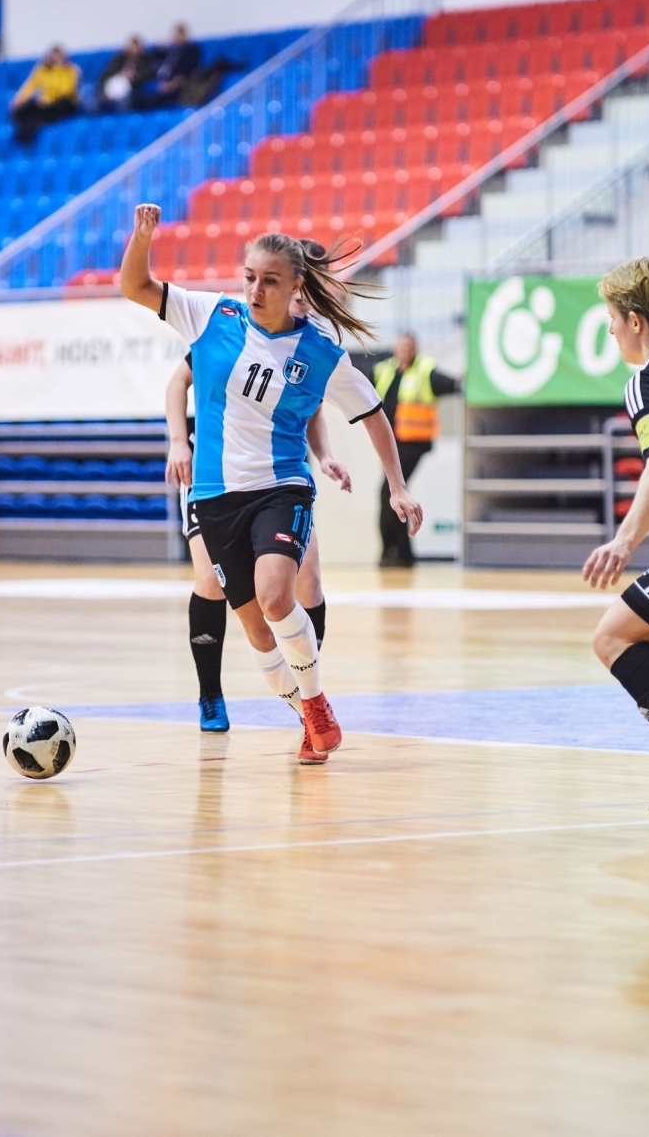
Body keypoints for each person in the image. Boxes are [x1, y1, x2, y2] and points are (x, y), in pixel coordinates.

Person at [121, 204, 422, 766]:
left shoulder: (320, 354)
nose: (256, 291)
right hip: (214, 497)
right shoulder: (211, 316)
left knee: (278, 594)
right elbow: (135, 286)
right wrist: (142, 239)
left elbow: (374, 414)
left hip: (280, 488)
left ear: (296, 287)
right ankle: (307, 712)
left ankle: (316, 704)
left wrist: (397, 487)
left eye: (270, 281)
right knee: (259, 634)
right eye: (250, 278)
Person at [165, 352, 351, 737]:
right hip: (213, 474)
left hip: (276, 477)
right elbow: (178, 380)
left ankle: (308, 698)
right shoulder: (227, 332)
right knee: (210, 580)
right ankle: (210, 694)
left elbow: (314, 407)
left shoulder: (306, 344)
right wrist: (178, 441)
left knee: (308, 580)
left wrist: (324, 455)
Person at [583, 256, 649, 818]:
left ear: (635, 320)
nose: (609, 329)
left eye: (611, 317)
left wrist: (623, 542)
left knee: (614, 636)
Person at [372, 332, 462, 567]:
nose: (403, 350)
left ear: (415, 349)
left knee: (390, 492)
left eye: (408, 347)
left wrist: (463, 380)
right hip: (390, 443)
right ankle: (400, 553)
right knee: (393, 494)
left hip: (412, 443)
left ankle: (394, 551)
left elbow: (450, 384)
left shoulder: (424, 370)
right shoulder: (386, 370)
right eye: (400, 346)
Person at [10, 45, 81, 145]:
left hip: (63, 103)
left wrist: (57, 72)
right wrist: (19, 99)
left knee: (57, 107)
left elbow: (67, 90)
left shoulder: (71, 70)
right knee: (25, 110)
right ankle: (23, 137)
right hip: (46, 104)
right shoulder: (43, 71)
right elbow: (30, 86)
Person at [136, 23, 200, 110]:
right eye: (176, 34)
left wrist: (172, 84)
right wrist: (163, 46)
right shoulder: (169, 50)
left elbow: (187, 72)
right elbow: (151, 56)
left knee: (151, 99)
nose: (178, 37)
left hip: (175, 85)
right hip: (158, 80)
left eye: (181, 34)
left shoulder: (191, 50)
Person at [96, 36, 155, 111]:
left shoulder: (146, 60)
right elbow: (105, 75)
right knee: (94, 101)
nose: (133, 51)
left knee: (124, 101)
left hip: (132, 90)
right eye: (131, 48)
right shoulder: (119, 59)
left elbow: (149, 74)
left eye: (135, 48)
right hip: (112, 87)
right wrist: (120, 74)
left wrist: (134, 77)